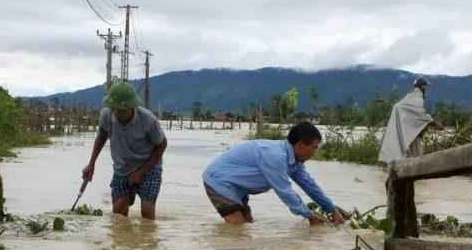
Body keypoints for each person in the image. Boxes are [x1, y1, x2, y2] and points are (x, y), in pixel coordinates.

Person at [202, 122, 345, 226]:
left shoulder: (295, 160)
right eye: (314, 147)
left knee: (247, 225)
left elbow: (309, 185)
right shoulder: (275, 156)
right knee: (237, 229)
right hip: (220, 181)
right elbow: (285, 191)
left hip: (238, 187)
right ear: (301, 145)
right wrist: (310, 215)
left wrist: (331, 208)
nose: (315, 152)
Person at [82, 82, 168, 220]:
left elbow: (162, 145)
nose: (116, 113)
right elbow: (102, 136)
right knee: (118, 214)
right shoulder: (106, 115)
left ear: (131, 107)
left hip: (149, 167)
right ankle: (129, 195)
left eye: (121, 110)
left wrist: (140, 172)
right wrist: (91, 163)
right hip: (122, 167)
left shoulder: (148, 120)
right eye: (113, 108)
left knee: (147, 213)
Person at [379, 78, 442, 163]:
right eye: (425, 86)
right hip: (414, 135)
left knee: (412, 158)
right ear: (422, 87)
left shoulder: (410, 97)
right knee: (418, 159)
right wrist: (436, 124)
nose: (426, 89)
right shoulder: (416, 99)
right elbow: (421, 115)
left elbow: (415, 114)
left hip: (411, 133)